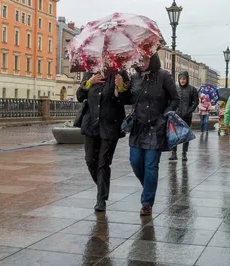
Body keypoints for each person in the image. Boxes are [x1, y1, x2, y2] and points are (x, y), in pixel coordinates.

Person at [115, 53, 180, 216]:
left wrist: (165, 115)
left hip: (156, 127)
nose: (142, 62)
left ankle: (147, 203)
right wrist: (121, 87)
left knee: (151, 165)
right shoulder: (134, 78)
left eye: (145, 59)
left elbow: (175, 99)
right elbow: (126, 100)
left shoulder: (164, 76)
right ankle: (149, 187)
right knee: (135, 162)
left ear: (152, 59)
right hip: (138, 127)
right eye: (139, 60)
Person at [76, 70, 129, 212]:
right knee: (90, 160)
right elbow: (80, 97)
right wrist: (89, 83)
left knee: (103, 163)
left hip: (110, 125)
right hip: (91, 124)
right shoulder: (89, 73)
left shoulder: (120, 74)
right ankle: (102, 186)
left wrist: (121, 88)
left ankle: (101, 200)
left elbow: (127, 99)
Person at [169, 71, 199, 161]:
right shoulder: (175, 88)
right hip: (176, 115)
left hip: (187, 116)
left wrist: (189, 111)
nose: (182, 81)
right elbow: (171, 100)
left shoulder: (192, 89)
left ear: (187, 79)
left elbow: (196, 102)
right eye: (181, 79)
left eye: (184, 79)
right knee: (174, 134)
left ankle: (184, 154)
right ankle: (173, 153)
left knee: (185, 135)